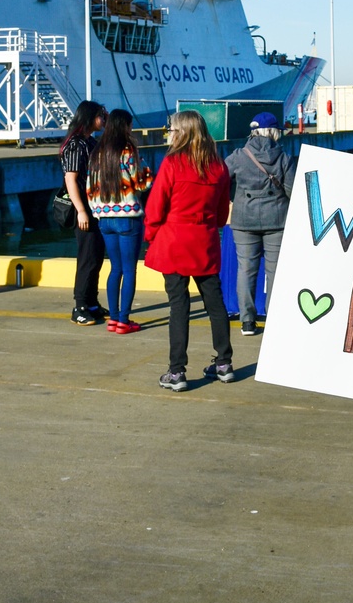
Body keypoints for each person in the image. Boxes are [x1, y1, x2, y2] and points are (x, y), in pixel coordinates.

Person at [145, 110, 233, 390]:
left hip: (174, 240)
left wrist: (151, 235)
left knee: (178, 306)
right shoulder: (218, 166)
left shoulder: (172, 163)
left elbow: (156, 206)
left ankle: (177, 371)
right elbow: (221, 214)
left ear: (181, 131)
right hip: (204, 240)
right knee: (215, 303)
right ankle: (224, 363)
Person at [225, 113, 297, 336]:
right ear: (274, 132)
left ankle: (247, 321)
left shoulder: (238, 155)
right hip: (276, 220)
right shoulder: (284, 158)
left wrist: (234, 198)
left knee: (245, 269)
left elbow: (220, 179)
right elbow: (292, 190)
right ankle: (273, 318)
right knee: (274, 271)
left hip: (244, 220)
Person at [87, 108, 151, 334]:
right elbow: (142, 183)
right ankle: (124, 319)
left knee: (115, 268)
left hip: (105, 218)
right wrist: (145, 166)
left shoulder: (97, 153)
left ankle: (113, 318)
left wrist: (98, 212)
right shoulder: (127, 150)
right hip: (128, 219)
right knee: (129, 269)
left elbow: (90, 189)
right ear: (125, 125)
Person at [60, 101, 107, 326]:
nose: (103, 119)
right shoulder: (76, 144)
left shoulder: (90, 141)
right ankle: (79, 306)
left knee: (96, 255)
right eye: (100, 116)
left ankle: (92, 302)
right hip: (84, 207)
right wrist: (81, 211)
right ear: (90, 117)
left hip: (95, 206)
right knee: (87, 257)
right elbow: (70, 179)